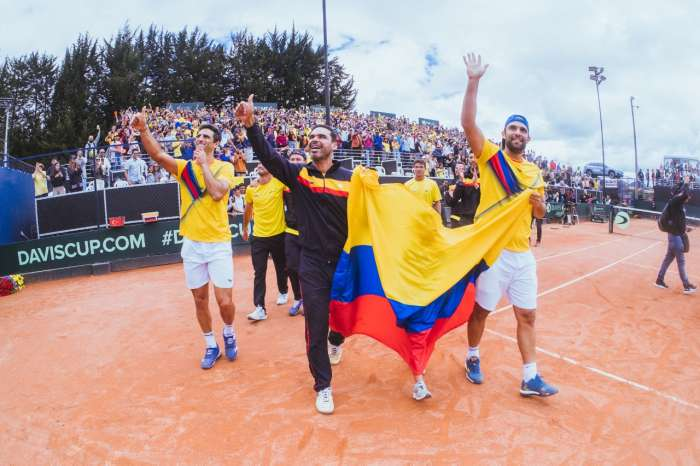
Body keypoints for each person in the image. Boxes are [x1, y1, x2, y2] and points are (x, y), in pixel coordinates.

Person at [236, 94, 348, 414]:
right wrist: (251, 125)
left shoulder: (352, 180)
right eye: (311, 136)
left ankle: (337, 340)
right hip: (311, 263)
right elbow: (270, 158)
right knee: (314, 323)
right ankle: (323, 385)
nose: (314, 139)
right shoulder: (299, 176)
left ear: (334, 144)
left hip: (343, 264)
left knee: (342, 318)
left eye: (321, 136)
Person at [460, 52, 558, 397]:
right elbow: (469, 125)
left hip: (522, 255)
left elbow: (540, 216)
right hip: (493, 255)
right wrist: (473, 82)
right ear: (503, 133)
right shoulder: (490, 158)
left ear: (528, 138)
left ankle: (530, 377)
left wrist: (541, 205)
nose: (517, 133)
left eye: (523, 129)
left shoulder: (535, 173)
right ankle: (472, 355)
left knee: (527, 316)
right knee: (481, 312)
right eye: (512, 128)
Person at [131, 109, 240, 370]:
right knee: (200, 299)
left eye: (206, 136)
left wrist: (203, 164)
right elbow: (158, 155)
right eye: (198, 136)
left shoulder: (225, 167)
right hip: (192, 244)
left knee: (225, 302)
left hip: (218, 244)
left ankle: (228, 331)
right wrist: (144, 130)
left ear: (215, 143)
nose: (200, 139)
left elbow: (215, 193)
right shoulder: (184, 168)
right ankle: (211, 345)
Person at [242, 163, 289, 321]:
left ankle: (283, 291)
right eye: (258, 164)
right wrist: (245, 228)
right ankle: (260, 307)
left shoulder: (279, 183)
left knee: (281, 267)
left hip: (279, 234)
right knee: (259, 272)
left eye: (264, 163)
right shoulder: (251, 188)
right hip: (259, 237)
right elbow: (248, 209)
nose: (260, 165)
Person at [656, 183, 696, 294]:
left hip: (674, 235)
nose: (689, 197)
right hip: (675, 237)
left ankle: (659, 280)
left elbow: (677, 222)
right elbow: (685, 194)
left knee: (668, 259)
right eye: (687, 195)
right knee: (681, 261)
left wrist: (686, 228)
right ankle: (686, 285)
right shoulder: (675, 201)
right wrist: (687, 183)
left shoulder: (678, 205)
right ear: (680, 193)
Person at [283, 151, 306, 316]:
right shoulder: (282, 181)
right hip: (290, 231)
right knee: (292, 267)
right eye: (292, 159)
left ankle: (309, 300)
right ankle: (298, 298)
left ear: (305, 161)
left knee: (309, 270)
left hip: (311, 233)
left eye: (299, 159)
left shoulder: (313, 179)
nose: (295, 161)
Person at [444, 161, 480, 226]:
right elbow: (451, 201)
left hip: (471, 216)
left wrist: (475, 185)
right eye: (456, 168)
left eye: (461, 168)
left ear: (464, 170)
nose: (458, 170)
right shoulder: (452, 184)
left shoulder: (470, 181)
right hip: (457, 217)